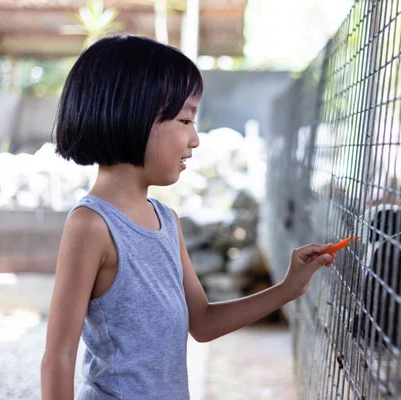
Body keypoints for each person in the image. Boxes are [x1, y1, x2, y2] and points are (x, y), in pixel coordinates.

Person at [40, 35, 336, 400]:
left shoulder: (167, 220)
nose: (195, 139)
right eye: (185, 119)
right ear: (132, 115)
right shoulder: (91, 226)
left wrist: (289, 288)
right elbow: (59, 355)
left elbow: (203, 322)